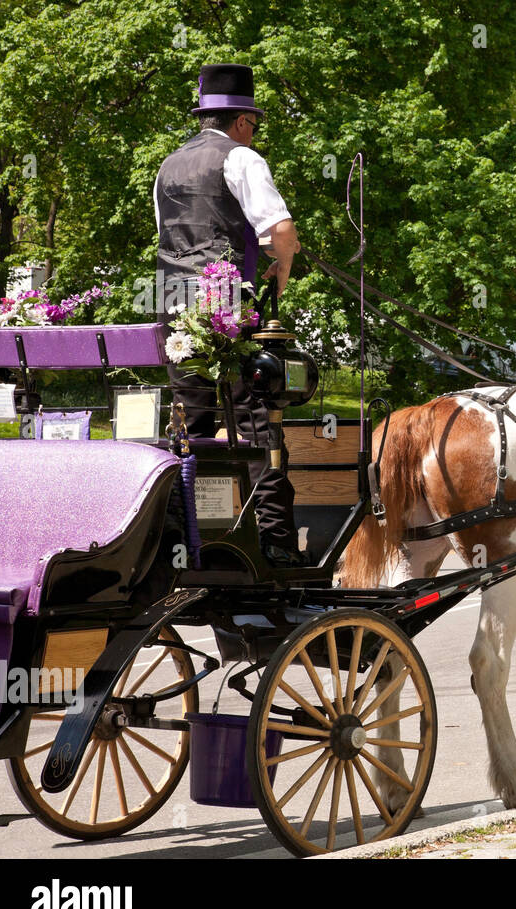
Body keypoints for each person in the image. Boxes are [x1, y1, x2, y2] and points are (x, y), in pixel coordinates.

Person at [154, 63, 303, 565]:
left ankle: (183, 539)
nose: (254, 133)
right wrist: (282, 271)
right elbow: (280, 230)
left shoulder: (167, 166)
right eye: (254, 124)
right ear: (242, 122)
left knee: (191, 429)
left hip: (175, 310)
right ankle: (275, 545)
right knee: (257, 420)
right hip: (225, 306)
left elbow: (168, 237)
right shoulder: (241, 158)